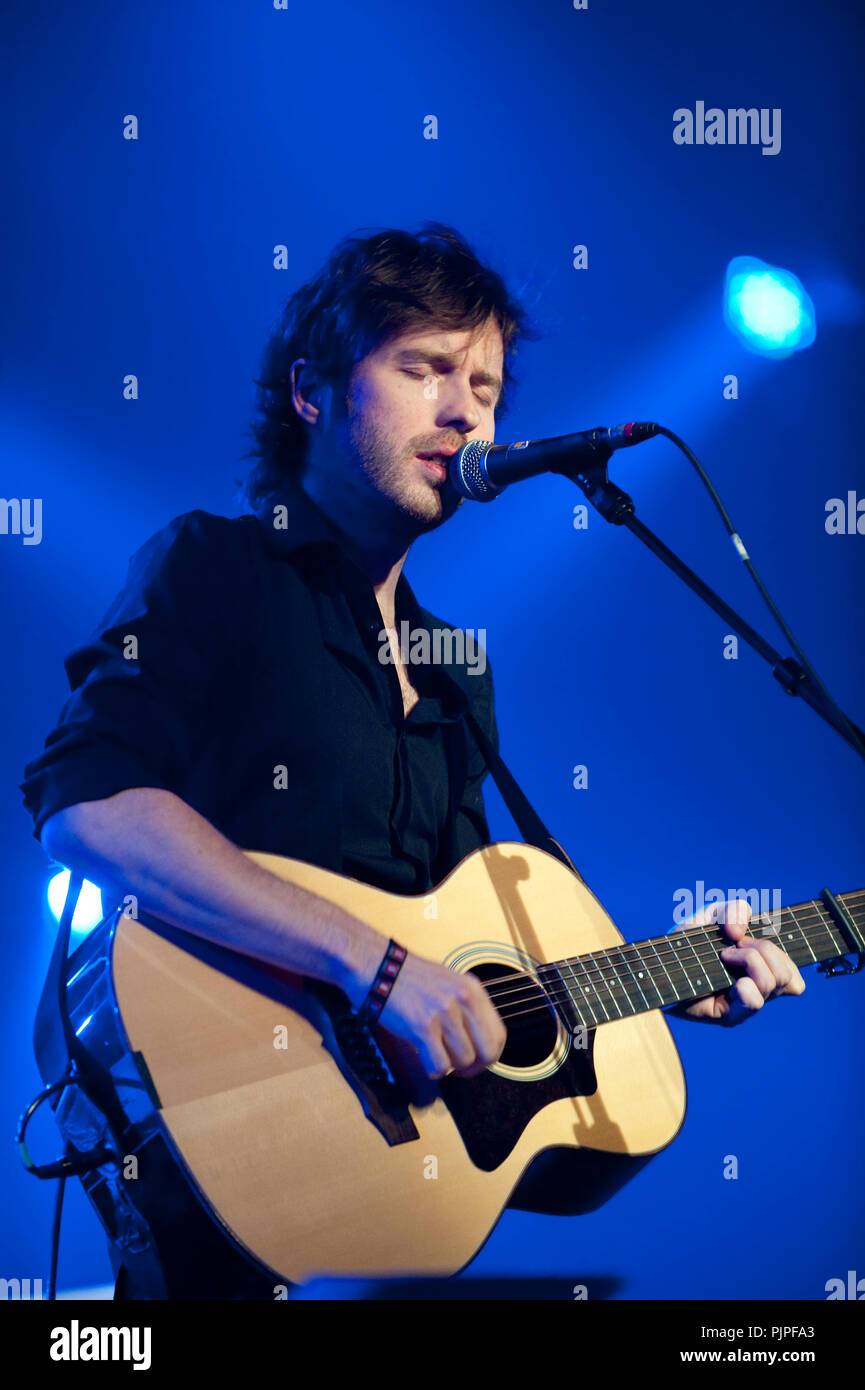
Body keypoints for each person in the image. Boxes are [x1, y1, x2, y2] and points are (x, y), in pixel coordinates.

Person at [20, 223, 805, 1298]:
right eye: (424, 368)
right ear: (313, 392)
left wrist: (662, 981)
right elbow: (87, 804)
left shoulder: (454, 670)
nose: (467, 411)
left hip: (380, 1196)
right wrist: (373, 965)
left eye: (483, 384)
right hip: (217, 1143)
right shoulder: (214, 568)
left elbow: (464, 952)